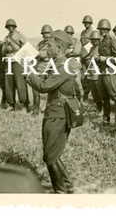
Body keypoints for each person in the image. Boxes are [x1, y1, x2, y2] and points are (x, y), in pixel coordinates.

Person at [26, 30, 80, 194]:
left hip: (58, 114)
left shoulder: (63, 66)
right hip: (56, 112)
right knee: (53, 152)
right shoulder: (57, 64)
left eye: (49, 45)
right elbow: (45, 81)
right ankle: (67, 186)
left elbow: (44, 87)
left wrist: (29, 73)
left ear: (59, 48)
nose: (46, 48)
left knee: (50, 155)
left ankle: (60, 193)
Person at [95, 18, 116, 132]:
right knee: (104, 98)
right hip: (102, 72)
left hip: (111, 72)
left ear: (108, 29)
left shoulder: (113, 41)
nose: (102, 31)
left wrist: (105, 59)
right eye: (100, 29)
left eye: (104, 29)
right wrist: (98, 60)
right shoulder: (101, 42)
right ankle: (106, 120)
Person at [1, 18, 30, 112]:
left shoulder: (19, 35)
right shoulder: (6, 38)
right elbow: (2, 52)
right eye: (8, 27)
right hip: (8, 62)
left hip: (18, 62)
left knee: (20, 83)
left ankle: (25, 105)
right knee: (9, 84)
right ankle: (11, 104)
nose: (10, 28)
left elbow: (27, 47)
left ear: (14, 26)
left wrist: (15, 49)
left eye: (11, 26)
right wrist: (6, 48)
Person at [32, 24, 53, 116]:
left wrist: (41, 55)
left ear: (51, 33)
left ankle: (49, 109)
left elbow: (46, 54)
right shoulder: (40, 44)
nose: (45, 35)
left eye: (47, 33)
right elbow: (34, 54)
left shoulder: (54, 43)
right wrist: (40, 55)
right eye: (44, 34)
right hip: (39, 69)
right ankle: (35, 110)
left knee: (51, 91)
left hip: (49, 69)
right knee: (35, 90)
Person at [82, 30, 103, 112]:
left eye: (96, 39)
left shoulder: (101, 48)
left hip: (98, 74)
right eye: (93, 40)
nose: (94, 41)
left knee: (100, 92)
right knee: (94, 93)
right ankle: (98, 107)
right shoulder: (91, 48)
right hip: (91, 74)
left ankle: (103, 108)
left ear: (99, 39)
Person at [64, 25, 83, 97]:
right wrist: (70, 51)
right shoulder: (64, 43)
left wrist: (67, 53)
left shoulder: (76, 41)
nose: (68, 35)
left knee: (78, 85)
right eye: (66, 33)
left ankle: (80, 101)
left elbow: (76, 51)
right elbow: (61, 52)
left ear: (72, 33)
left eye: (69, 33)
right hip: (67, 67)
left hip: (75, 67)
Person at [80, 15, 94, 101]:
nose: (86, 24)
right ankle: (86, 93)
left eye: (87, 22)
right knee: (83, 76)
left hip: (89, 57)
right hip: (83, 57)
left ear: (90, 23)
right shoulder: (82, 33)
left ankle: (94, 94)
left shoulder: (94, 32)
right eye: (85, 23)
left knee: (92, 75)